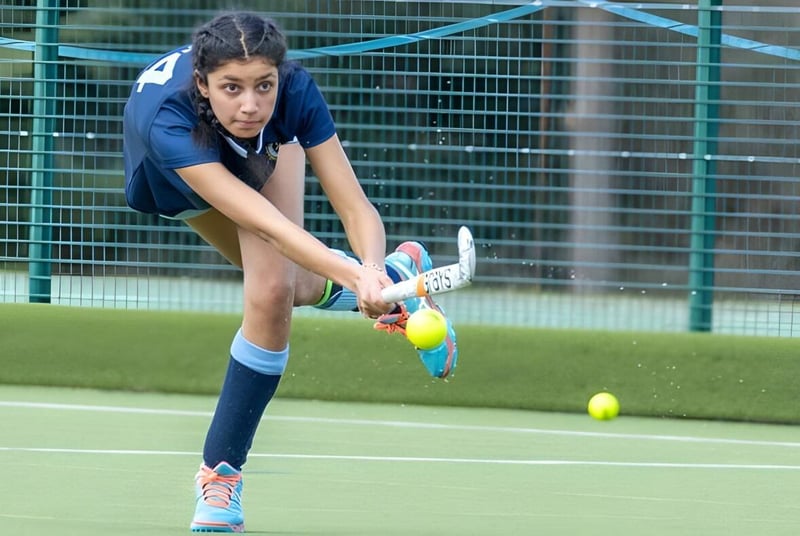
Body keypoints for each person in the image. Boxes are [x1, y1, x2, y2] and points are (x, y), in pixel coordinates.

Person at [122, 11, 457, 533]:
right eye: (232, 87)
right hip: (177, 179)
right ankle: (401, 278)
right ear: (204, 85)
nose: (251, 104)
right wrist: (364, 279)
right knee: (291, 283)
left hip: (264, 161)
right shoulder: (172, 121)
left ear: (281, 77)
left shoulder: (296, 91)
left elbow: (355, 207)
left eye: (264, 86)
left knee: (273, 289)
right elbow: (274, 231)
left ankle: (221, 475)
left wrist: (366, 265)